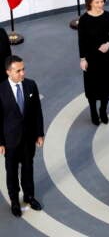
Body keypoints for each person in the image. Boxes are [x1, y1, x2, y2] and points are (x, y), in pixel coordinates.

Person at [0, 55, 44, 217]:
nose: (22, 73)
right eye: (18, 71)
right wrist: (1, 142)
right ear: (8, 72)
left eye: (23, 69)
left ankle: (29, 196)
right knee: (11, 172)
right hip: (10, 140)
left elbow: (37, 112)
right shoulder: (1, 90)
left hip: (28, 139)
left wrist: (39, 133)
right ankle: (14, 201)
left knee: (28, 168)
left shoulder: (31, 86)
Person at [78, 0, 109, 125]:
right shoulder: (84, 20)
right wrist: (82, 59)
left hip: (105, 58)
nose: (100, 4)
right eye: (97, 2)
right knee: (92, 88)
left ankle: (103, 110)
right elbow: (81, 41)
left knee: (106, 87)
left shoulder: (108, 16)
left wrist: (108, 43)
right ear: (90, 3)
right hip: (90, 59)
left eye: (102, 1)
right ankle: (93, 112)